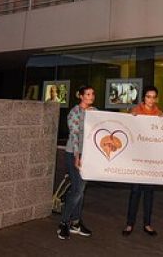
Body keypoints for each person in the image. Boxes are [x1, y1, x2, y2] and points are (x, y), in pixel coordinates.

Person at [122, 85, 163, 237]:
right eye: (148, 96)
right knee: (135, 191)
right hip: (137, 158)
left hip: (151, 158)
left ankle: (147, 224)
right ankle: (129, 224)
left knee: (149, 192)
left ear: (156, 98)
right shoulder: (135, 111)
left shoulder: (159, 114)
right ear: (143, 98)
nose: (151, 99)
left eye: (153, 97)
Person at [57, 85, 95, 240]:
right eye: (87, 94)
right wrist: (77, 157)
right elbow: (74, 136)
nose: (91, 96)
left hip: (88, 155)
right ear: (81, 96)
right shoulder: (75, 112)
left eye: (92, 94)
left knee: (80, 190)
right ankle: (64, 223)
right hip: (74, 154)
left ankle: (75, 223)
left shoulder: (94, 112)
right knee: (77, 189)